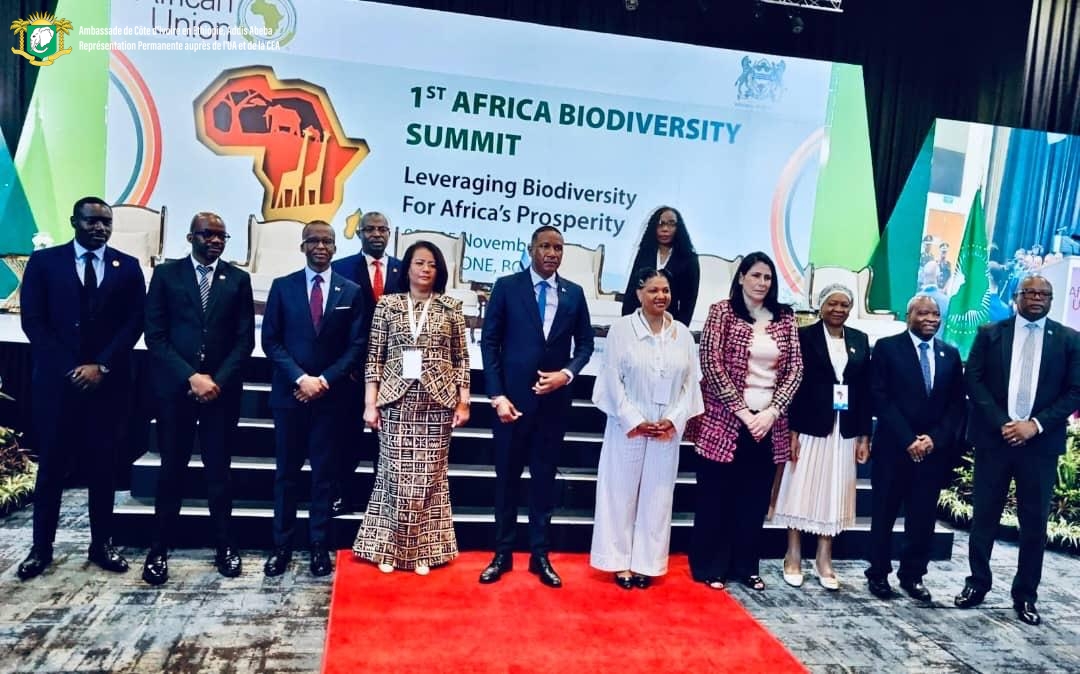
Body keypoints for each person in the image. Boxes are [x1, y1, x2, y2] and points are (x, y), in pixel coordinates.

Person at [17, 197, 146, 581]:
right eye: (92, 221)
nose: (100, 228)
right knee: (52, 468)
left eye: (106, 222)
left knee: (103, 468)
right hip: (57, 386)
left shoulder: (128, 266)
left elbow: (134, 322)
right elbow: (33, 321)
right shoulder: (45, 263)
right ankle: (41, 549)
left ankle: (101, 544)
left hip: (108, 386)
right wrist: (70, 369)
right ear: (75, 221)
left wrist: (101, 366)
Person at [954, 275, 1080, 626]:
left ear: (1051, 300)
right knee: (984, 518)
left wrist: (1034, 425)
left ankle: (1025, 594)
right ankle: (977, 583)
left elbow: (1075, 390)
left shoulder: (1069, 339)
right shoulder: (990, 333)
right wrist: (1003, 423)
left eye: (1044, 293)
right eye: (1030, 292)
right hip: (995, 441)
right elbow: (973, 380)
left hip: (1040, 445)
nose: (1037, 298)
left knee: (1034, 523)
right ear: (1016, 296)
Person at [141, 212, 255, 585]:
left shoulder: (237, 279)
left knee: (219, 473)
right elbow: (155, 335)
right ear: (191, 237)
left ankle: (225, 546)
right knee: (171, 471)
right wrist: (191, 377)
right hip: (177, 390)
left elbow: (244, 340)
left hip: (221, 393)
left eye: (222, 235)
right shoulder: (166, 275)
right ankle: (158, 549)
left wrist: (215, 381)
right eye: (208, 234)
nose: (216, 240)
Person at [478, 225, 594, 588]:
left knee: (544, 482)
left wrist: (566, 374)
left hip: (553, 405)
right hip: (511, 404)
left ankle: (539, 555)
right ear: (531, 249)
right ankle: (502, 553)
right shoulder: (506, 287)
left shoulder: (574, 293)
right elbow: (489, 343)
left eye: (558, 248)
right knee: (506, 481)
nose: (552, 253)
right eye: (545, 246)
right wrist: (497, 396)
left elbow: (586, 345)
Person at [353, 241, 470, 575]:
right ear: (406, 268)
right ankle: (388, 549)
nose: (425, 269)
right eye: (419, 263)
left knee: (429, 480)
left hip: (438, 404)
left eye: (432, 264)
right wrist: (370, 403)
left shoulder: (450, 307)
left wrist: (463, 402)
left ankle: (422, 552)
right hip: (395, 403)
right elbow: (374, 357)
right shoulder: (388, 305)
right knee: (394, 477)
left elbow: (461, 359)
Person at [688, 251, 803, 592]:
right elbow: (711, 364)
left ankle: (746, 566)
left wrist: (771, 412)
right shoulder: (721, 312)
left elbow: (796, 369)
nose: (761, 283)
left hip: (769, 424)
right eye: (755, 275)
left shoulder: (785, 317)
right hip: (723, 421)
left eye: (767, 277)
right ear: (740, 278)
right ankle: (712, 566)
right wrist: (742, 412)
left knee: (754, 500)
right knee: (716, 497)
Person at [261, 220, 367, 578]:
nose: (321, 246)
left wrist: (323, 380)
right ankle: (281, 546)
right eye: (313, 241)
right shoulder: (283, 286)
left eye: (327, 241)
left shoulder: (350, 291)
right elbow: (271, 340)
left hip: (330, 399)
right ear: (302, 246)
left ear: (335, 248)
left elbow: (356, 345)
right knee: (286, 476)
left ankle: (319, 544)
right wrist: (300, 378)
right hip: (290, 397)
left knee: (324, 476)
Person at [590, 267, 703, 589]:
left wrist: (673, 419)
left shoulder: (682, 334)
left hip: (666, 430)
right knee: (619, 492)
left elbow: (690, 385)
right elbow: (611, 379)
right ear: (639, 293)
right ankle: (618, 562)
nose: (660, 296)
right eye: (653, 290)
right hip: (627, 426)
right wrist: (634, 420)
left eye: (665, 290)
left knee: (658, 496)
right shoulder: (621, 330)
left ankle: (647, 563)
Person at [865, 294, 965, 603]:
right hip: (894, 449)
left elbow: (956, 406)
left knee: (922, 518)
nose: (930, 319)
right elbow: (879, 397)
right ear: (909, 316)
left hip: (932, 453)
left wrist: (933, 439)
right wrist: (908, 439)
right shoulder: (887, 348)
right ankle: (878, 573)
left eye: (935, 314)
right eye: (923, 313)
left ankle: (912, 575)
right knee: (884, 514)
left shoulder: (950, 354)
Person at [773, 283, 872, 591]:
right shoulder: (803, 336)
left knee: (834, 491)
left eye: (844, 304)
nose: (838, 309)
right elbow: (795, 385)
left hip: (845, 429)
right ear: (820, 305)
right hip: (809, 426)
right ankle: (793, 555)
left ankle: (824, 558)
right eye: (832, 303)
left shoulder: (859, 339)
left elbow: (864, 390)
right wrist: (791, 430)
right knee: (800, 488)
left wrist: (864, 436)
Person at [331, 211, 403, 514]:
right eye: (370, 229)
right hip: (351, 370)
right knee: (345, 437)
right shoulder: (340, 268)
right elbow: (335, 324)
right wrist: (346, 365)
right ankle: (341, 495)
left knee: (386, 441)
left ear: (389, 234)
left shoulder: (404, 270)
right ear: (359, 233)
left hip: (392, 371)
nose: (376, 234)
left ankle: (382, 502)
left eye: (382, 229)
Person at [620, 206, 700, 326]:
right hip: (639, 321)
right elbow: (632, 290)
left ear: (678, 228)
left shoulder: (689, 259)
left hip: (669, 323)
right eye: (660, 224)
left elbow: (688, 304)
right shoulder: (645, 252)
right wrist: (627, 323)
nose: (665, 229)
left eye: (671, 224)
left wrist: (678, 330)